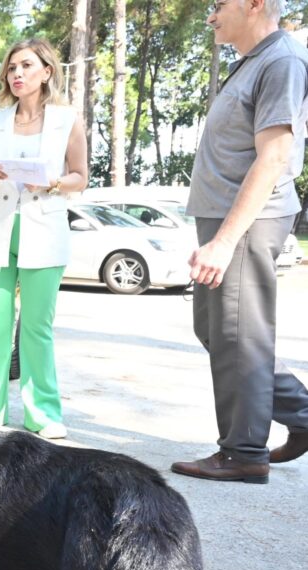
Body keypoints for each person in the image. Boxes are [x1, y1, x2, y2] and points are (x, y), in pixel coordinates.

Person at [170, 0, 308, 484]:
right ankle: (304, 415)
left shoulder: (283, 60)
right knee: (218, 333)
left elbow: (273, 158)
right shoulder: (252, 62)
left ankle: (243, 452)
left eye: (219, 4)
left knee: (240, 336)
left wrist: (226, 241)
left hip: (248, 220)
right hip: (224, 216)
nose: (210, 15)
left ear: (254, 4)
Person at [0, 38, 88, 440]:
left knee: (37, 327)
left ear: (46, 72)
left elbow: (80, 177)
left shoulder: (67, 120)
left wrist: (53, 182)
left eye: (25, 66)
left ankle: (44, 415)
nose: (17, 74)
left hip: (45, 228)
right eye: (11, 68)